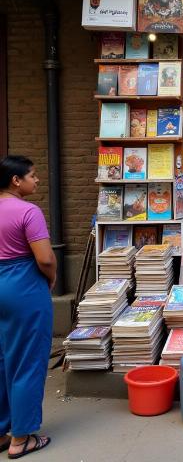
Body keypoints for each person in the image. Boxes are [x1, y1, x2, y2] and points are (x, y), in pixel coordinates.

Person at [0, 156, 55, 458]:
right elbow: (45, 258)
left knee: (2, 359)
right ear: (16, 181)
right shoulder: (28, 211)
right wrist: (52, 276)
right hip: (22, 285)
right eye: (32, 176)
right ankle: (21, 438)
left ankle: (1, 431)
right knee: (27, 361)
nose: (37, 181)